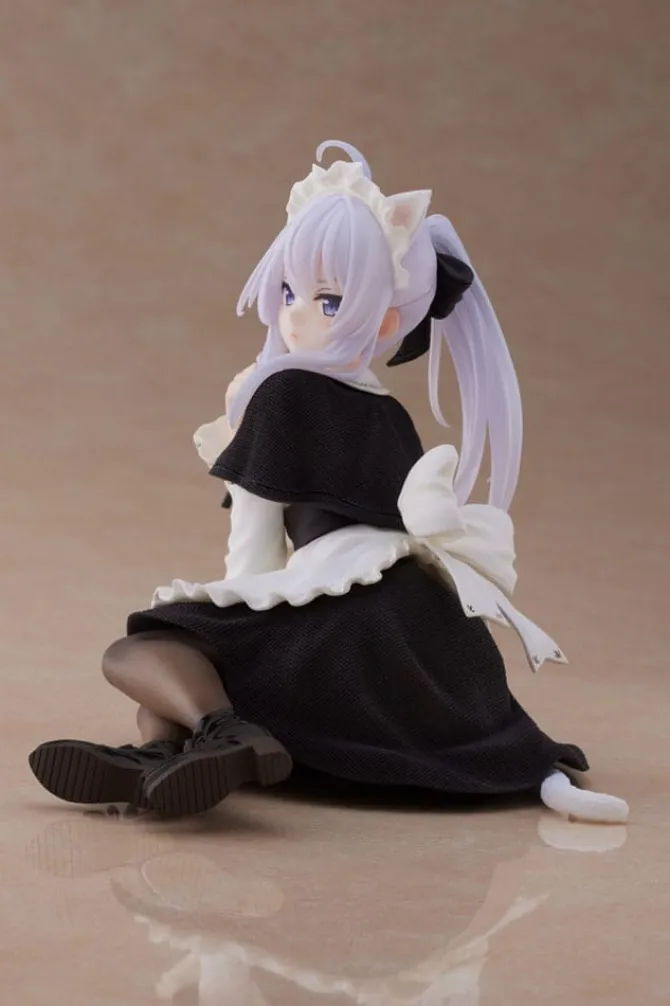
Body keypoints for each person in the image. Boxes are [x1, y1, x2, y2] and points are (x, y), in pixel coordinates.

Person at [29, 141, 628, 824]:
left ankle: (220, 736)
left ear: (385, 320)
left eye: (328, 300)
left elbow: (255, 544)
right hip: (419, 622)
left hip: (343, 614)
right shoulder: (389, 412)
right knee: (186, 673)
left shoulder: (284, 391)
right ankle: (164, 758)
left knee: (144, 649)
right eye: (289, 291)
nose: (294, 314)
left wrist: (233, 615)